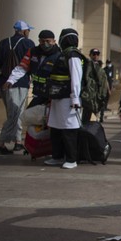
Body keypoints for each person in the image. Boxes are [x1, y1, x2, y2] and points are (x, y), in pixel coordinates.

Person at [0, 20, 35, 154]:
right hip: (20, 83)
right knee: (16, 114)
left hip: (4, 83)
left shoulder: (4, 42)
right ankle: (0, 143)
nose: (29, 32)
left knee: (13, 113)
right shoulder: (28, 43)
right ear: (24, 31)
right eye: (28, 30)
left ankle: (17, 141)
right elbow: (31, 64)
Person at [3, 29, 62, 129]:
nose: (45, 44)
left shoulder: (59, 55)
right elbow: (22, 68)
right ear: (39, 41)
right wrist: (11, 80)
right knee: (30, 117)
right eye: (42, 41)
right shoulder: (33, 52)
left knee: (51, 122)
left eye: (48, 41)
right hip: (38, 92)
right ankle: (33, 143)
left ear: (54, 41)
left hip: (52, 94)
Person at [44, 28, 83, 170]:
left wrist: (75, 98)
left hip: (68, 99)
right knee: (55, 127)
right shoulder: (63, 54)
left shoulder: (73, 55)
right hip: (57, 97)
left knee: (69, 129)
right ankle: (57, 156)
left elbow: (76, 78)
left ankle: (72, 159)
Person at [81, 48, 108, 123]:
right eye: (94, 54)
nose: (96, 56)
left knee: (94, 114)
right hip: (90, 94)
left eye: (97, 54)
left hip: (97, 94)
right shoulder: (88, 65)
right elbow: (86, 78)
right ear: (90, 55)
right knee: (87, 115)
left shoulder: (97, 66)